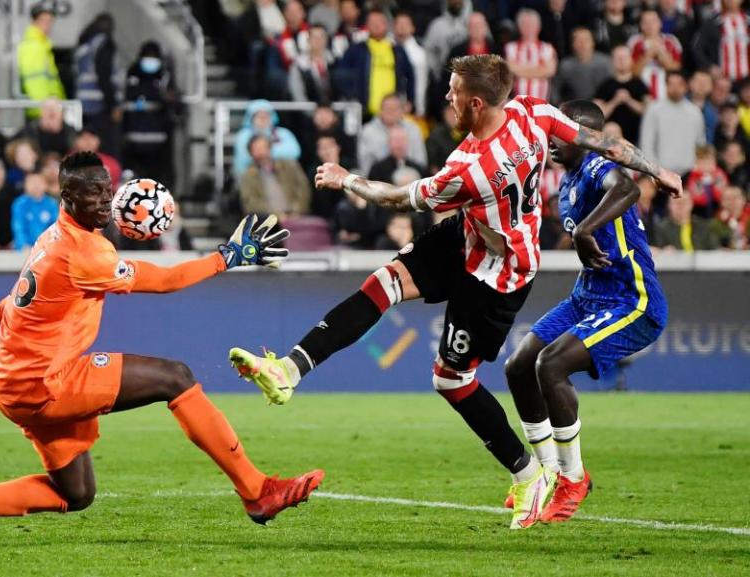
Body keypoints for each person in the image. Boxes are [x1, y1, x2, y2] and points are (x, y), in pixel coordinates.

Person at [227, 54, 681, 530]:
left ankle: (528, 473)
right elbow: (604, 142)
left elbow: (394, 198)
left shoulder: (468, 169)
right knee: (382, 283)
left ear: (476, 102)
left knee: (451, 380)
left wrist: (347, 180)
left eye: (454, 91)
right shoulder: (532, 113)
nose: (447, 97)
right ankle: (288, 369)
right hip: (470, 234)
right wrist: (659, 171)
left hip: (498, 275)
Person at [0, 151, 322, 535]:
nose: (103, 199)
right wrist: (228, 256)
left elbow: (26, 296)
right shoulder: (84, 252)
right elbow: (164, 281)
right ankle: (257, 492)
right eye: (91, 192)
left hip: (13, 382)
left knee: (75, 493)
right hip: (44, 383)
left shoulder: (53, 235)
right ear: (67, 197)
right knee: (175, 377)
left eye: (106, 189)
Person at [504, 100, 668, 523]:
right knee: (519, 365)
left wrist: (588, 231)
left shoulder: (596, 166)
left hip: (630, 299)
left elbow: (628, 188)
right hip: (587, 296)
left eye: (563, 131)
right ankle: (546, 473)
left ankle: (573, 479)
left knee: (551, 366)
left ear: (586, 136)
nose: (554, 138)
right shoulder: (566, 182)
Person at [336, 10, 415, 118]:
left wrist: (410, 100)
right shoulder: (356, 49)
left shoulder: (397, 51)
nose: (377, 25)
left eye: (380, 22)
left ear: (387, 25)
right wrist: (352, 97)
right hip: (363, 112)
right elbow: (341, 74)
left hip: (392, 112)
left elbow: (410, 76)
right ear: (366, 25)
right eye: (372, 22)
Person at [122, 41, 180, 188]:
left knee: (158, 185)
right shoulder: (132, 76)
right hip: (134, 144)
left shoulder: (164, 78)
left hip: (159, 145)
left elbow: (174, 107)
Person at [640, 71, 705, 176]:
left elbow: (700, 143)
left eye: (679, 84)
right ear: (666, 85)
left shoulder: (695, 112)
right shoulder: (653, 110)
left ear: (685, 86)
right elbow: (647, 145)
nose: (675, 88)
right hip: (661, 173)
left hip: (689, 173)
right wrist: (655, 172)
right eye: (671, 84)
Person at [239, 135, 311, 217]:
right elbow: (250, 203)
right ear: (250, 152)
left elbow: (303, 188)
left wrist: (297, 210)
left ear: (269, 148)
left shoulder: (289, 166)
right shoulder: (248, 176)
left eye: (263, 147)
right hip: (268, 221)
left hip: (298, 216)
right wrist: (276, 215)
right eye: (256, 148)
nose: (261, 151)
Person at [357, 93, 426, 175]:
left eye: (395, 109)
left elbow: (421, 161)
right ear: (380, 111)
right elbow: (365, 164)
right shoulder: (367, 131)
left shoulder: (413, 129)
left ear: (402, 111)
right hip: (379, 178)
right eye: (388, 109)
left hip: (410, 178)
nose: (391, 112)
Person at [594, 46, 650, 144]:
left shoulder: (640, 84)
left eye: (625, 57)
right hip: (611, 140)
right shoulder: (605, 86)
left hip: (637, 139)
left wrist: (629, 101)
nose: (622, 61)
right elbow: (597, 115)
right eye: (618, 58)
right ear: (612, 61)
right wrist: (615, 101)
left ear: (631, 60)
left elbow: (649, 111)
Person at [18, 3, 65, 118]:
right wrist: (48, 110)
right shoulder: (33, 46)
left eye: (50, 21)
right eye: (44, 21)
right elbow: (35, 82)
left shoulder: (42, 45)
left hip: (48, 111)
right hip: (42, 114)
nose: (47, 25)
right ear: (34, 22)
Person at [233, 100, 301, 177]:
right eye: (259, 116)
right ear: (251, 119)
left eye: (266, 115)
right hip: (252, 177)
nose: (263, 119)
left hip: (281, 176)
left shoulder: (283, 133)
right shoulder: (243, 135)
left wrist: (263, 151)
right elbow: (245, 157)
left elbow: (295, 151)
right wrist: (273, 152)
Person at [627, 9, 682, 100]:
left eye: (653, 21)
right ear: (640, 25)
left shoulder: (671, 41)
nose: (650, 25)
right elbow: (632, 72)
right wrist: (648, 55)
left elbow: (676, 70)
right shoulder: (634, 42)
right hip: (640, 91)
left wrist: (661, 53)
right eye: (645, 22)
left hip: (666, 90)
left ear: (660, 23)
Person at [504, 9, 557, 101]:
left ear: (538, 26)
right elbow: (511, 69)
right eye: (525, 24)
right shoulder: (511, 47)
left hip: (541, 104)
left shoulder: (547, 48)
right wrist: (539, 69)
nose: (528, 28)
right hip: (517, 104)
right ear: (519, 27)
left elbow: (550, 71)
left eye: (532, 24)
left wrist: (521, 70)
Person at [692, 0, 750, 84]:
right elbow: (697, 48)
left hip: (747, 82)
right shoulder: (712, 22)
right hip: (721, 82)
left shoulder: (747, 21)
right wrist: (709, 67)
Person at [554, 28, 612, 102]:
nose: (582, 44)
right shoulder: (565, 66)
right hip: (574, 108)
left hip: (602, 107)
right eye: (578, 40)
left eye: (586, 40)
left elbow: (614, 87)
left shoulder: (606, 63)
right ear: (572, 44)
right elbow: (555, 90)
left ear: (593, 42)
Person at [652, 191, 721, 250]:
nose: (680, 205)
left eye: (684, 202)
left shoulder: (704, 226)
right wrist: (663, 252)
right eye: (676, 202)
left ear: (691, 204)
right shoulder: (661, 228)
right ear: (669, 206)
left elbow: (715, 250)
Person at [288, 24, 335, 104]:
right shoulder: (298, 65)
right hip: (308, 111)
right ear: (308, 40)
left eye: (321, 37)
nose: (318, 40)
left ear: (326, 40)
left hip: (334, 111)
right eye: (314, 37)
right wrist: (312, 113)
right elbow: (297, 94)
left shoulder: (334, 62)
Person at [11, 172, 59, 251]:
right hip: (24, 250)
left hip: (47, 250)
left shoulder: (51, 204)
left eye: (39, 182)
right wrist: (24, 245)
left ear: (45, 185)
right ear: (25, 185)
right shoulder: (19, 204)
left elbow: (55, 227)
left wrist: (51, 247)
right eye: (32, 182)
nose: (36, 185)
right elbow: (18, 227)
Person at [393, 13, 427, 117]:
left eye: (406, 24)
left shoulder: (419, 54)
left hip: (410, 107)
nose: (402, 27)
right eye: (398, 23)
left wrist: (418, 107)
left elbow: (421, 84)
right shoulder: (387, 47)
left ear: (413, 28)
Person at [685, 145, 729, 218]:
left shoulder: (720, 175)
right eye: (702, 161)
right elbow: (691, 195)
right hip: (696, 213)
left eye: (709, 160)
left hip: (717, 211)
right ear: (696, 162)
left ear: (715, 161)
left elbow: (724, 193)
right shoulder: (689, 176)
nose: (706, 164)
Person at [424, 106, 464, 173]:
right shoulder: (436, 134)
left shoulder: (468, 132)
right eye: (450, 114)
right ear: (444, 115)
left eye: (455, 113)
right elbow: (432, 165)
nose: (453, 117)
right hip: (443, 174)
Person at [713, 185, 750, 249]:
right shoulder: (715, 224)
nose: (732, 201)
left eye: (736, 197)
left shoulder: (748, 220)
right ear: (722, 202)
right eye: (728, 198)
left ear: (744, 200)